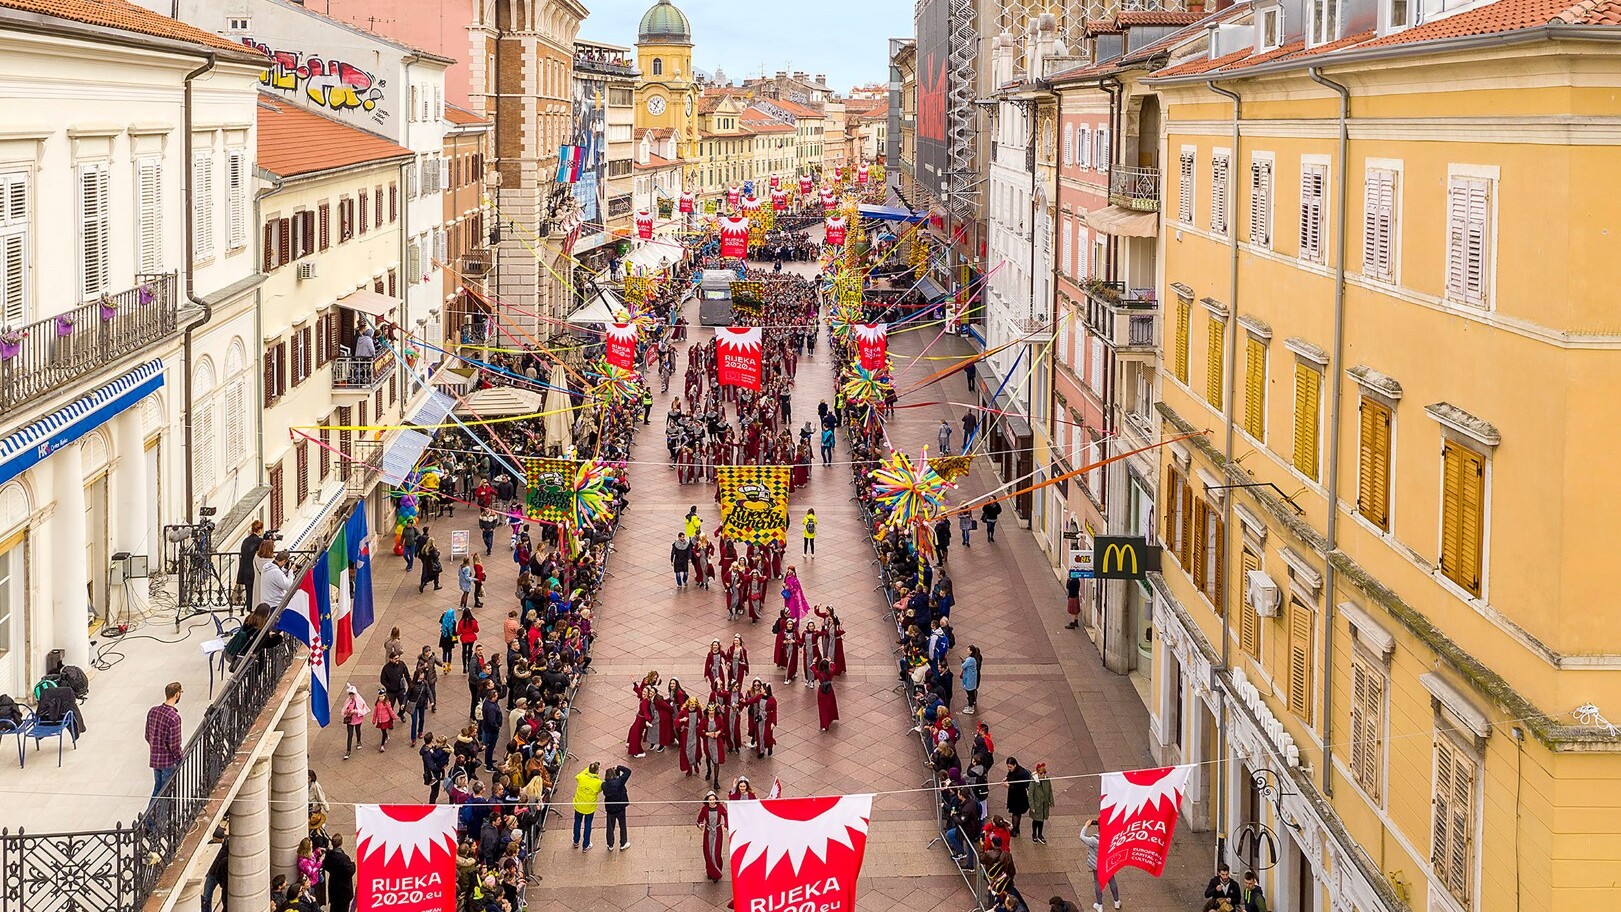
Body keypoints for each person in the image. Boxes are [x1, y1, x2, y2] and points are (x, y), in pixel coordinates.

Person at [145, 682, 183, 795]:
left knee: (157, 788)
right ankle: (160, 813)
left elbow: (147, 735)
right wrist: (180, 757)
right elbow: (174, 744)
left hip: (155, 758)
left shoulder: (153, 711)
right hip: (168, 761)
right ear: (177, 694)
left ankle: (151, 812)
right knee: (167, 792)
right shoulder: (174, 718)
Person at [1080, 818, 1119, 911]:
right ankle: (1116, 902)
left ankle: (1099, 905)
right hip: (1108, 864)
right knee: (1112, 881)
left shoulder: (1094, 840)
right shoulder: (1112, 838)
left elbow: (1082, 837)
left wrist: (1086, 826)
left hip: (1096, 865)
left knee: (1098, 883)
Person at [571, 761, 604, 850]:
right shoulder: (598, 783)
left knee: (577, 823)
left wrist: (588, 769)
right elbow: (600, 790)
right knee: (588, 825)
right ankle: (586, 845)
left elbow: (579, 775)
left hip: (578, 805)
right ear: (597, 771)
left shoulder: (581, 777)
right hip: (589, 808)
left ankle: (576, 841)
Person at [696, 791, 727, 882]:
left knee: (716, 852)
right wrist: (700, 824)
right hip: (708, 832)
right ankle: (710, 872)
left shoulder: (720, 807)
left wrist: (726, 825)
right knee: (708, 852)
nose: (712, 801)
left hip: (717, 832)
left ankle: (717, 873)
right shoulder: (704, 809)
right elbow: (699, 819)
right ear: (707, 800)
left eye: (713, 799)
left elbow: (726, 815)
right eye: (710, 800)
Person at [601, 765, 632, 851]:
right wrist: (619, 767)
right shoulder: (619, 782)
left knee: (610, 827)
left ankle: (610, 844)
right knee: (622, 825)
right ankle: (623, 843)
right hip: (620, 808)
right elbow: (628, 771)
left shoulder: (604, 785)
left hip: (610, 809)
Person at [322, 833, 356, 912]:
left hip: (334, 886)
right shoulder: (343, 858)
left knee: (334, 907)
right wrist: (353, 864)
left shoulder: (329, 855)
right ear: (341, 843)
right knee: (343, 909)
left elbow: (326, 866)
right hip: (344, 890)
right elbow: (350, 871)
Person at [236, 519, 264, 602]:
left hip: (245, 570)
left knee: (249, 592)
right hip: (254, 570)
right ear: (259, 530)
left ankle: (249, 609)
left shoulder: (245, 541)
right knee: (256, 593)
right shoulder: (260, 541)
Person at [1005, 757, 1032, 837]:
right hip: (1017, 795)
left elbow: (1019, 787)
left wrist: (1009, 786)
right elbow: (1010, 775)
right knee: (1017, 813)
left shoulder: (1019, 774)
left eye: (1010, 767)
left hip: (1018, 796)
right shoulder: (1017, 770)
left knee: (1015, 813)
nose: (1009, 769)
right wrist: (1007, 778)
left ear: (1015, 765)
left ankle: (1014, 829)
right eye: (1008, 767)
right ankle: (1017, 828)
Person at [341, 684, 369, 760]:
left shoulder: (359, 701)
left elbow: (362, 710)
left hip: (357, 719)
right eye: (350, 695)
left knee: (357, 730)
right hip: (350, 720)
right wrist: (348, 711)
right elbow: (344, 709)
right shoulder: (348, 701)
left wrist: (355, 711)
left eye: (352, 694)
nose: (351, 696)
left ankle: (359, 741)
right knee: (349, 735)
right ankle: (348, 751)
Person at [1028, 762, 1053, 844]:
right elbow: (1030, 794)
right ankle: (1034, 834)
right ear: (1038, 773)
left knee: (1041, 820)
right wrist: (1032, 807)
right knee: (1035, 820)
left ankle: (1040, 834)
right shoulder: (1033, 781)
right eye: (1041, 773)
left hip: (1044, 805)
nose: (1042, 775)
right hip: (1036, 804)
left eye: (1043, 773)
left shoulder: (1046, 780)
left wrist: (1051, 801)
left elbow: (1050, 791)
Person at [815, 658, 839, 731]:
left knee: (823, 709)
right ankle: (831, 718)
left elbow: (812, 668)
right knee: (830, 705)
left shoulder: (819, 674)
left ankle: (824, 725)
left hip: (821, 692)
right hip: (829, 690)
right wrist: (830, 661)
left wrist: (813, 663)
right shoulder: (830, 672)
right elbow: (834, 666)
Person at [961, 646, 981, 715]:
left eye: (968, 649)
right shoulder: (973, 659)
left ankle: (970, 707)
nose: (967, 650)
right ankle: (970, 706)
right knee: (971, 693)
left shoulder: (970, 660)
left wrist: (964, 662)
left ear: (971, 651)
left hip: (969, 680)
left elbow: (963, 666)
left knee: (970, 694)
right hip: (971, 679)